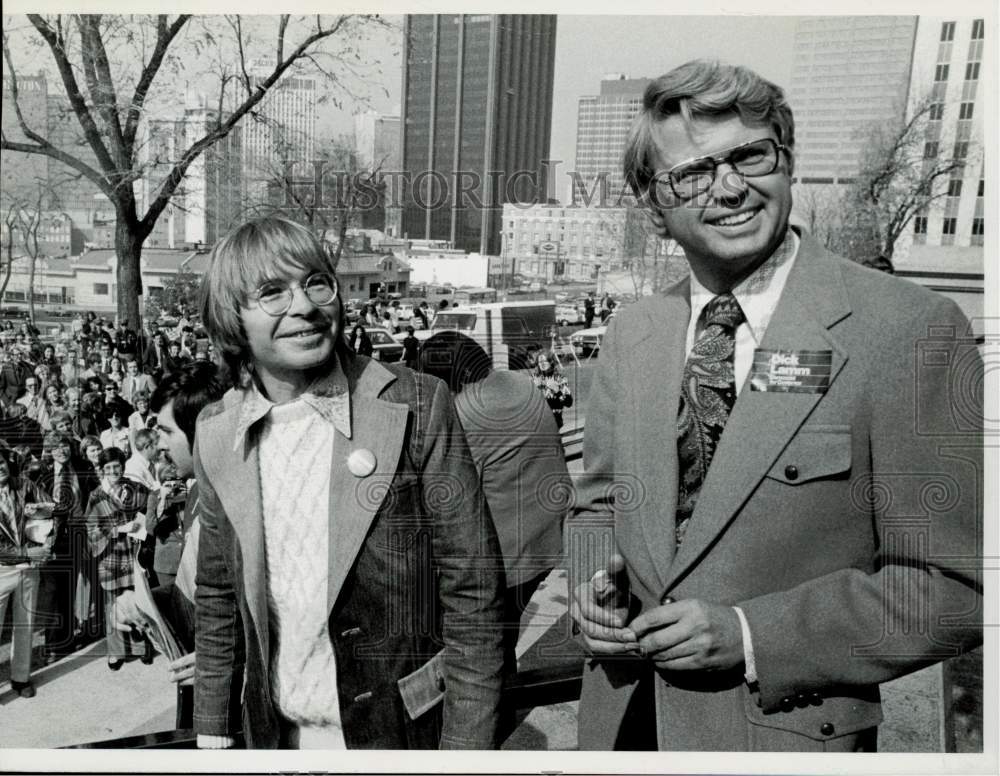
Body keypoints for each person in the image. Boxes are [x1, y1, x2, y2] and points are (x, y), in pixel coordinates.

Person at [567, 59, 983, 752]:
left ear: (786, 161)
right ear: (654, 209)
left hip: (780, 739)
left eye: (749, 155)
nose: (730, 188)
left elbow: (955, 589)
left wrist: (753, 635)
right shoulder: (633, 330)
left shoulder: (909, 329)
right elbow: (598, 505)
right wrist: (590, 591)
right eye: (693, 173)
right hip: (620, 725)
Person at [192, 215, 504, 750]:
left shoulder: (417, 403)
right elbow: (218, 595)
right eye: (272, 293)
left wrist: (465, 758)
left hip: (405, 734)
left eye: (317, 282)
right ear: (232, 319)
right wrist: (213, 730)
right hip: (277, 738)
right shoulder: (218, 432)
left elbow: (474, 595)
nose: (305, 306)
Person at [418, 332, 572, 737]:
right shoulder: (519, 384)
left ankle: (485, 733)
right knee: (503, 640)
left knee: (482, 651)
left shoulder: (465, 412)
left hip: (504, 553)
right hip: (543, 541)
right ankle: (498, 717)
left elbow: (448, 496)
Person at [85, 446, 153, 670]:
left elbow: (152, 503)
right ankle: (116, 653)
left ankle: (141, 647)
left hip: (133, 554)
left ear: (123, 466)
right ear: (102, 470)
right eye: (108, 467)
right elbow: (91, 530)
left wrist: (144, 522)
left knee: (138, 601)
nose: (113, 470)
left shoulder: (135, 488)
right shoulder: (96, 496)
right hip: (110, 557)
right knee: (112, 605)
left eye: (117, 466)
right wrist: (118, 530)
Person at [0, 445, 54, 698]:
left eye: (0, 461)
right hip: (2, 570)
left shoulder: (24, 484)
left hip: (30, 569)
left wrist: (46, 541)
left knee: (26, 624)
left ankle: (21, 678)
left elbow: (53, 509)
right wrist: (26, 553)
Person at [530, 350, 573, 430]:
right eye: (540, 362)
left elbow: (569, 403)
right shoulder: (534, 379)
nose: (542, 364)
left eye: (545, 361)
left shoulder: (560, 379)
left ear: (551, 362)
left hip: (555, 422)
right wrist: (535, 390)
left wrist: (557, 391)